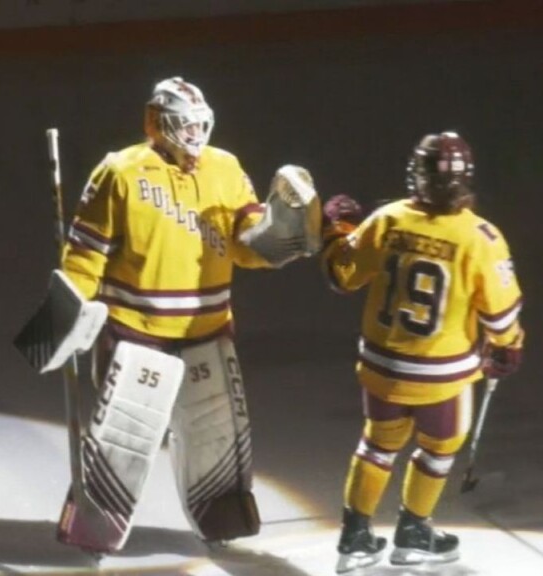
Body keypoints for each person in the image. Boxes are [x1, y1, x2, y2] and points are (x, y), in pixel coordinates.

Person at [54, 76, 319, 554]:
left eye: (200, 125)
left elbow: (245, 241)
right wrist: (65, 313)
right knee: (124, 435)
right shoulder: (119, 171)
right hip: (138, 331)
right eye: (183, 125)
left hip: (207, 328)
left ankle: (219, 509)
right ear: (157, 123)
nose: (194, 136)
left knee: (217, 428)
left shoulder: (225, 168)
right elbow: (85, 254)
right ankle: (97, 518)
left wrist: (283, 229)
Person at [320, 131, 525, 572]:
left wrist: (339, 232)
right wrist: (508, 348)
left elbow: (342, 275)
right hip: (443, 376)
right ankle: (414, 529)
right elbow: (502, 316)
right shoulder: (481, 238)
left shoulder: (389, 219)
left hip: (384, 366)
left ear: (417, 175)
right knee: (438, 450)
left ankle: (354, 536)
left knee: (377, 446)